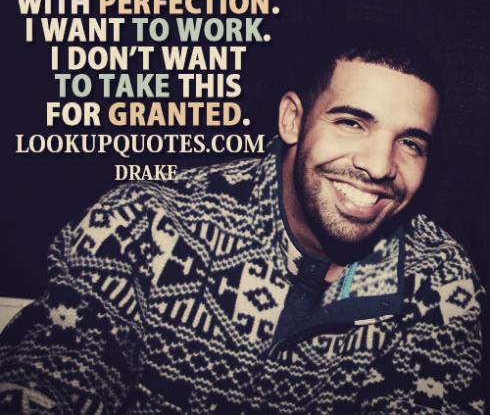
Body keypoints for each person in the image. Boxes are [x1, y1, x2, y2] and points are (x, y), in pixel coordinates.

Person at [0, 21, 484, 414]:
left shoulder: (438, 279)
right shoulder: (141, 227)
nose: (379, 166)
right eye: (351, 122)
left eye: (410, 143)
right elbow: (45, 380)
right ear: (292, 119)